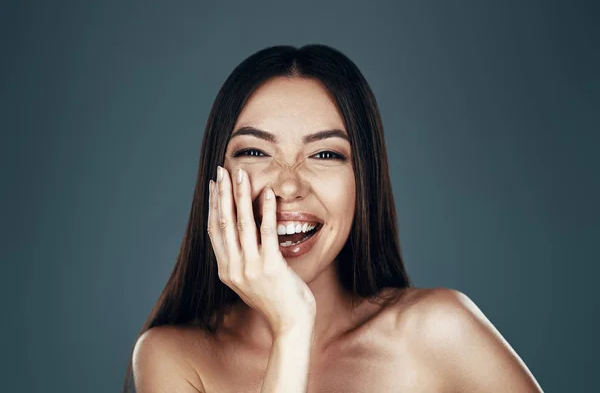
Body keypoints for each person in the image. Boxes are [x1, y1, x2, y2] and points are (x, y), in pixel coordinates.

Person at [122, 44, 543, 392]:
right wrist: (291, 325)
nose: (288, 187)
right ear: (214, 179)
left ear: (365, 179)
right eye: (255, 152)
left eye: (325, 154)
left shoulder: (437, 331)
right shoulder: (172, 357)